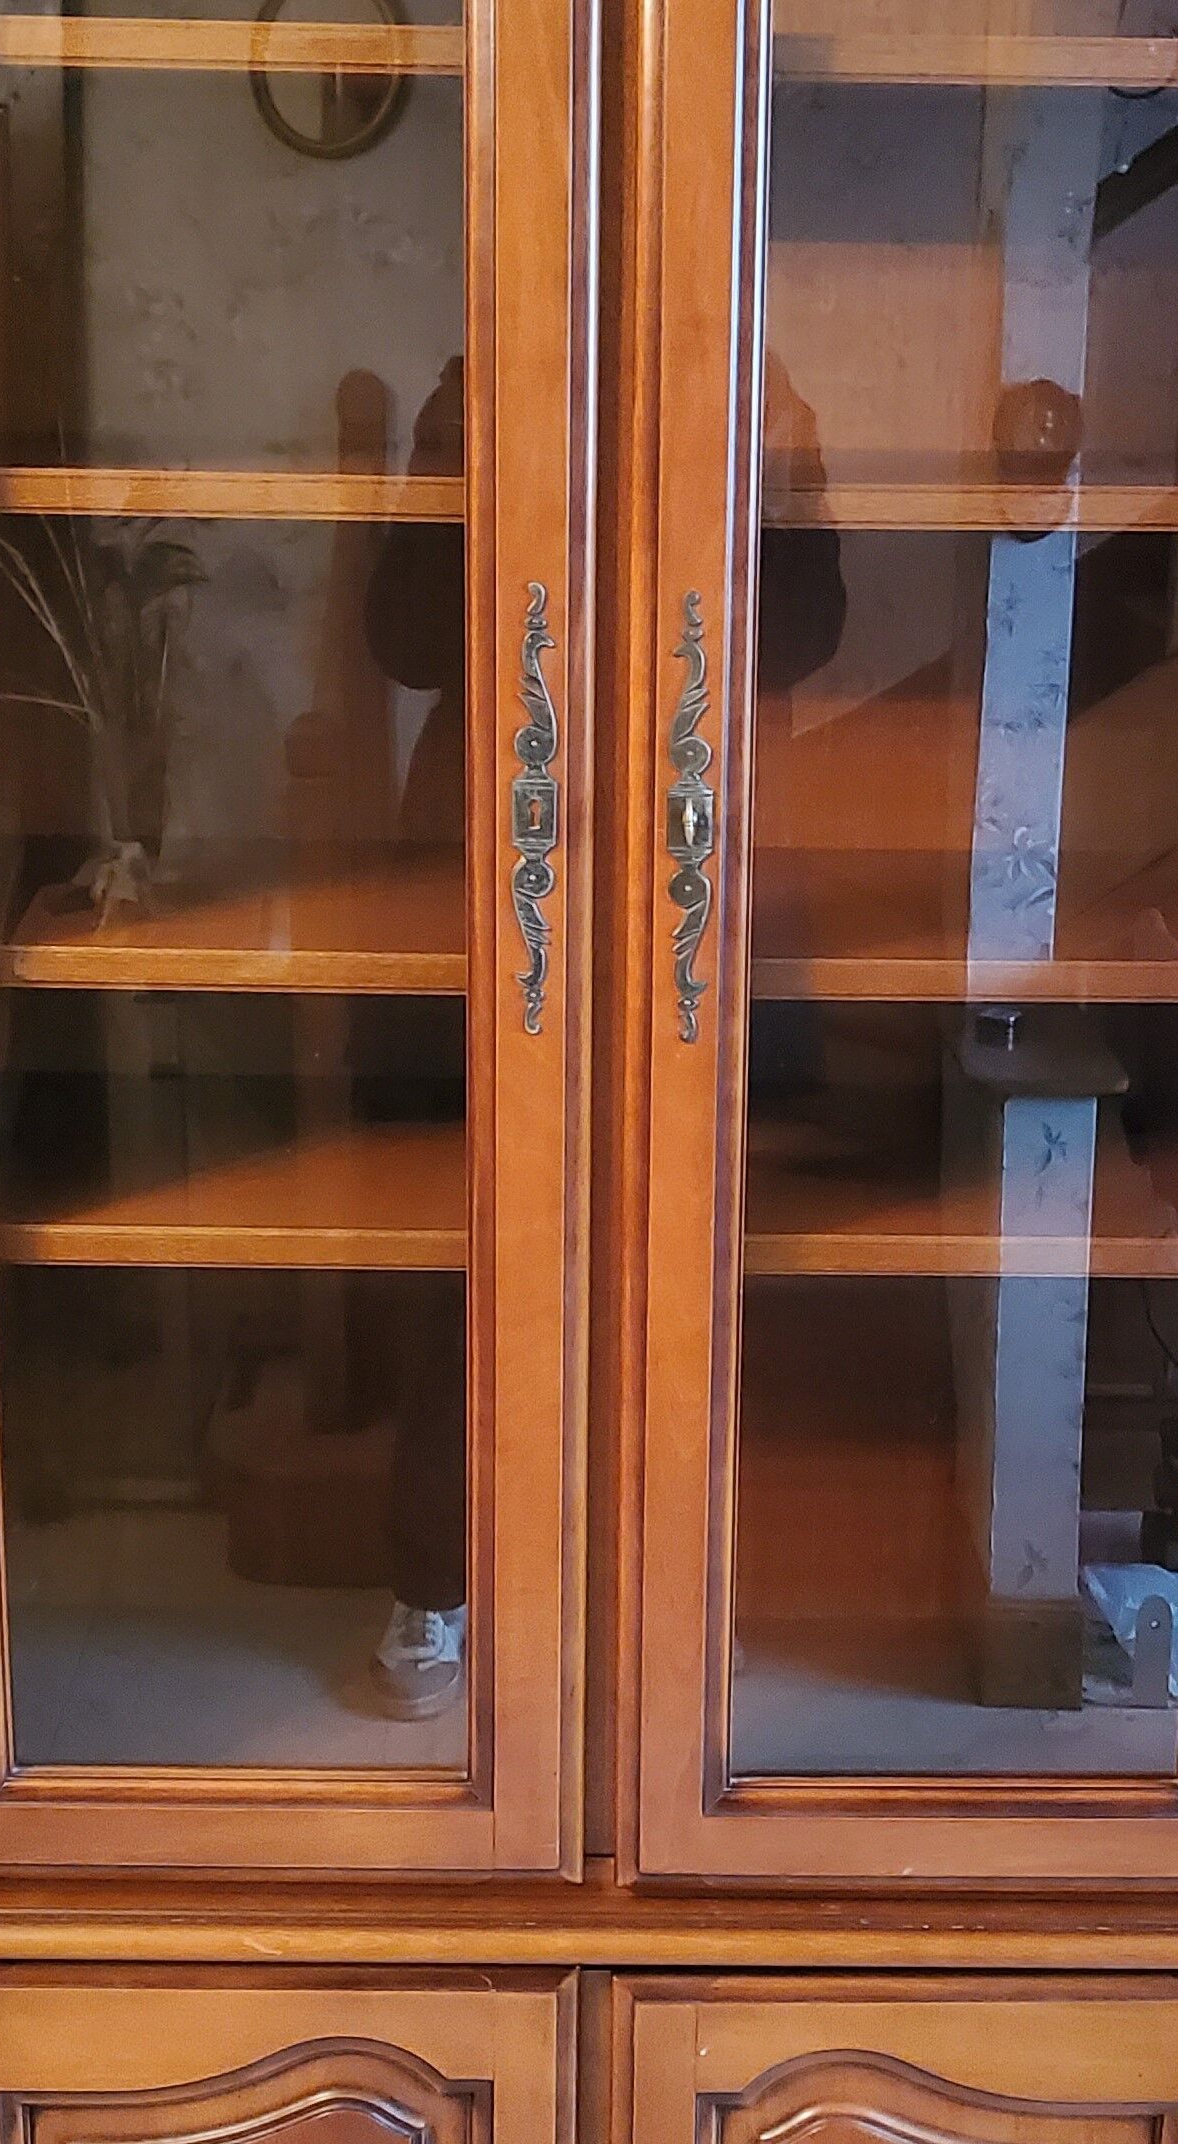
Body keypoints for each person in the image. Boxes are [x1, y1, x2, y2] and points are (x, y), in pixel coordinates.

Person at [357, 350, 844, 1718]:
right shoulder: (476, 377)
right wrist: (451, 455)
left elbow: (803, 636)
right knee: (467, 1233)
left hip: (697, 856)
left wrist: (787, 475)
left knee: (696, 1238)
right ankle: (434, 1579)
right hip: (492, 847)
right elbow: (399, 639)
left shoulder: (749, 374)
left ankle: (692, 1577)